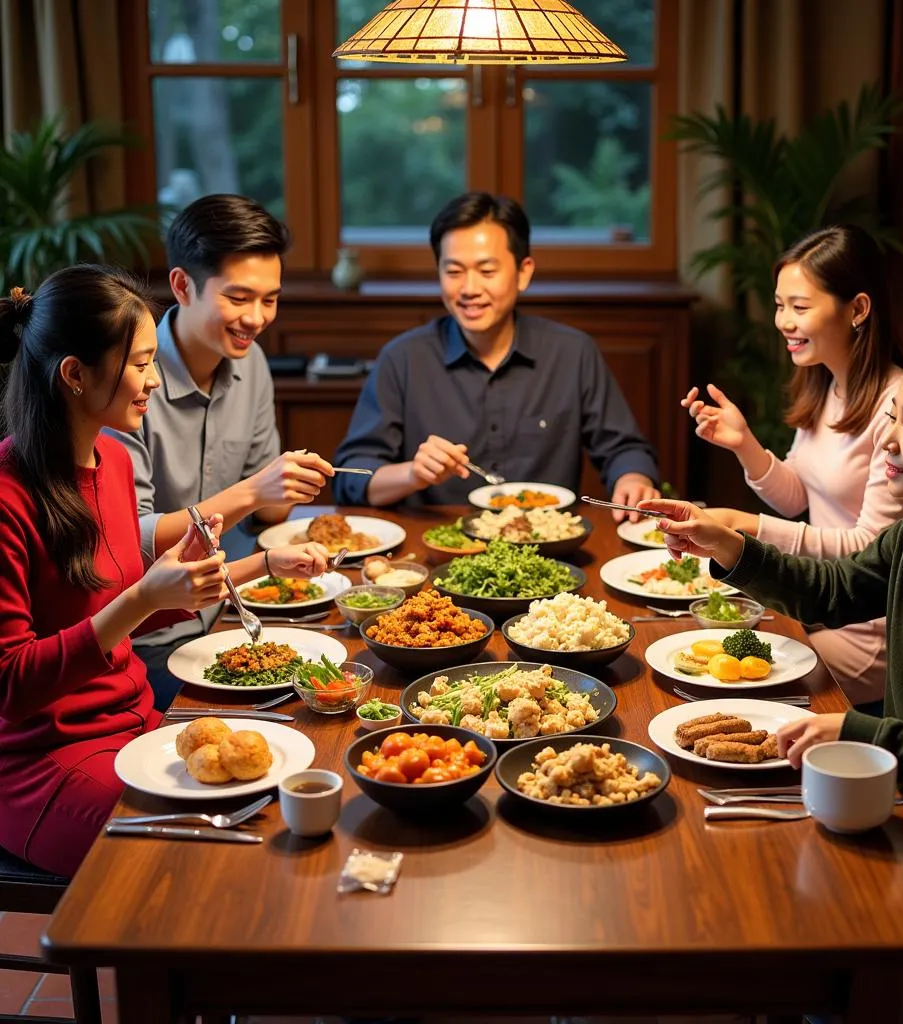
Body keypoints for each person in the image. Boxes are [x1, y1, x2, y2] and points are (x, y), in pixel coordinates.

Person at [644, 339, 903, 1024]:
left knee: (835, 940)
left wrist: (860, 730)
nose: (887, 436)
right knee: (776, 889)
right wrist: (727, 545)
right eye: (892, 415)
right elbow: (839, 588)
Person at [0, 266, 329, 876]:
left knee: (282, 805)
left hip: (138, 723)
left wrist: (260, 565)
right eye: (139, 364)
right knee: (201, 869)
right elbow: (12, 685)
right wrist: (143, 600)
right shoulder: (8, 495)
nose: (153, 380)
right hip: (45, 764)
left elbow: (130, 598)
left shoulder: (113, 464)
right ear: (74, 374)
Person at [105, 194, 334, 709]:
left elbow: (271, 511)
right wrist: (255, 489)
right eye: (238, 297)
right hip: (144, 639)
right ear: (183, 285)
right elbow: (132, 541)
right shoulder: (130, 380)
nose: (255, 318)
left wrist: (289, 481)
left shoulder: (250, 364)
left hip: (233, 611)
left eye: (270, 299)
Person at [681, 225, 903, 706]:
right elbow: (798, 499)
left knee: (722, 686)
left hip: (867, 628)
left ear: (858, 309)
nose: (783, 321)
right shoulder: (828, 384)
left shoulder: (898, 405)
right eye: (779, 304)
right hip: (818, 602)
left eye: (800, 307)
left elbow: (868, 551)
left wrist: (744, 525)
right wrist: (744, 443)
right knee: (696, 656)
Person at [332, 191, 660, 515]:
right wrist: (412, 474)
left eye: (487, 271)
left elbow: (624, 448)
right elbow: (353, 475)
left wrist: (633, 478)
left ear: (524, 272)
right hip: (438, 546)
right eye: (454, 271)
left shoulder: (572, 353)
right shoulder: (403, 359)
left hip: (548, 547)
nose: (470, 289)